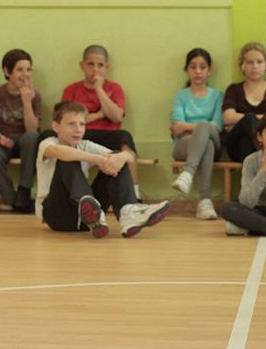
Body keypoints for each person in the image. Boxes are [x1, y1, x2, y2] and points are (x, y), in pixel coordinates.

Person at [36, 101, 170, 238]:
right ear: (56, 126)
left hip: (88, 221)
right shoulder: (48, 143)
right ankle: (86, 201)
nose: (78, 129)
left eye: (82, 124)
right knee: (67, 157)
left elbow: (129, 158)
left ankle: (127, 212)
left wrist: (121, 157)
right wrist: (98, 159)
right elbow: (59, 152)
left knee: (115, 158)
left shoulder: (85, 145)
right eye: (71, 124)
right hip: (56, 215)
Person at [61, 45, 141, 198]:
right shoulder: (71, 90)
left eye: (100, 65)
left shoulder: (114, 88)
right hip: (80, 135)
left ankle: (135, 194)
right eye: (90, 64)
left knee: (125, 137)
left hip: (109, 135)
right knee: (54, 136)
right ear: (82, 66)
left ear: (107, 67)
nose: (95, 69)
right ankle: (72, 194)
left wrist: (99, 89)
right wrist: (99, 114)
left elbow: (117, 117)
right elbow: (67, 120)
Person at [0, 48, 41, 213]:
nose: (25, 74)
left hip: (25, 140)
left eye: (28, 69)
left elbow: (32, 129)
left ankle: (24, 191)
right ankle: (13, 200)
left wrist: (26, 102)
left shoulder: (35, 96)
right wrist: (0, 138)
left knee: (32, 137)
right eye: (20, 70)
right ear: (7, 71)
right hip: (4, 139)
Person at [169, 48, 224, 220]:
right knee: (204, 142)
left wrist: (197, 127)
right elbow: (176, 127)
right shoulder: (181, 96)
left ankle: (188, 173)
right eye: (193, 67)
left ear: (209, 70)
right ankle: (204, 202)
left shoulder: (218, 95)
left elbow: (217, 125)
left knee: (205, 130)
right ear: (186, 70)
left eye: (202, 67)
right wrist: (201, 128)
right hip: (183, 144)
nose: (198, 71)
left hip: (215, 141)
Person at [222, 42, 266, 162]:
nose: (255, 66)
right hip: (235, 145)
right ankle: (265, 155)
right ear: (242, 66)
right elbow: (227, 117)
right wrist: (259, 119)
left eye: (259, 62)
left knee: (246, 141)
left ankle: (251, 179)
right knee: (249, 118)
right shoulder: (234, 89)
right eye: (250, 62)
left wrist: (239, 120)